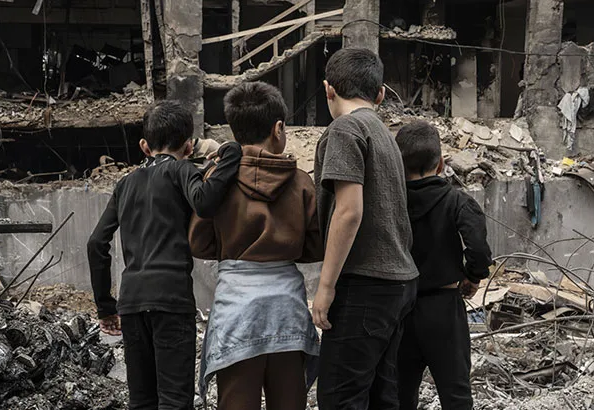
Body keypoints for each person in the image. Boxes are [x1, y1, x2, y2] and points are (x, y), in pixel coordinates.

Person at [87, 100, 243, 410]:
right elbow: (205, 201)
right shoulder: (181, 170)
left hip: (131, 303)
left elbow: (96, 243)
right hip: (171, 300)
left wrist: (105, 306)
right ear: (189, 146)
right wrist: (232, 154)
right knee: (174, 400)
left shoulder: (124, 184)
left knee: (142, 400)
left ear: (144, 147)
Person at [189, 81, 323, 410]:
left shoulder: (218, 180)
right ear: (278, 129)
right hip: (286, 313)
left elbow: (199, 241)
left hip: (237, 313)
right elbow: (315, 245)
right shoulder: (301, 182)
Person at [311, 47, 420, 409]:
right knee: (381, 396)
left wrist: (325, 286)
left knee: (339, 397)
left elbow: (349, 211)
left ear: (328, 89)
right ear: (381, 94)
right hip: (398, 284)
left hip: (364, 286)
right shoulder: (385, 134)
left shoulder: (346, 129)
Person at [394, 120, 493, 410]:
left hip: (398, 308)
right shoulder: (456, 201)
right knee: (456, 395)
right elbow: (478, 247)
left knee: (400, 395)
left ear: (398, 164)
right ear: (440, 164)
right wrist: (473, 276)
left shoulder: (391, 203)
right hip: (444, 308)